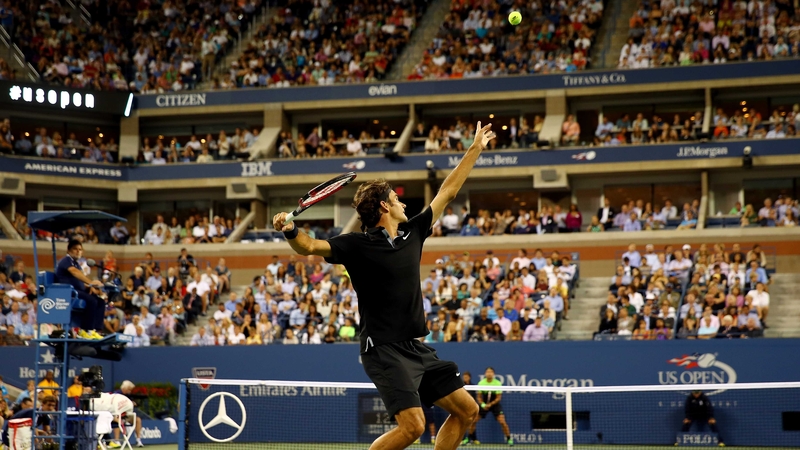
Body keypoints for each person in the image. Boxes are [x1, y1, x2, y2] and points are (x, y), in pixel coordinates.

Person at [271, 121, 497, 450]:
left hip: (414, 347)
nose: (404, 203)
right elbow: (309, 246)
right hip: (382, 350)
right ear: (385, 207)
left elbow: (446, 192)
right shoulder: (357, 245)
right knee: (413, 426)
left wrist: (474, 149)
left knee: (467, 410)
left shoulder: (414, 233)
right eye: (397, 198)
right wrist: (289, 229)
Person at [54, 239, 106, 339]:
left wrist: (91, 287)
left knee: (100, 300)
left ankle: (96, 330)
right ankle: (86, 330)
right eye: (75, 249)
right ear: (69, 251)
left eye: (80, 249)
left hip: (78, 291)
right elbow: (74, 272)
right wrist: (90, 282)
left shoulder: (76, 264)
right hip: (67, 292)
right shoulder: (66, 261)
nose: (78, 251)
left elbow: (79, 281)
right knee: (91, 300)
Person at [466, 367, 512, 446]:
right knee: (473, 421)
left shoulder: (497, 383)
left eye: (491, 372)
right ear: (485, 374)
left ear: (493, 374)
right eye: (487, 372)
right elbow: (479, 396)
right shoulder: (481, 383)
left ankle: (509, 439)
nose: (489, 373)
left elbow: (498, 398)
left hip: (495, 405)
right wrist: (483, 404)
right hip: (484, 404)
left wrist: (490, 404)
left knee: (502, 422)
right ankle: (468, 438)